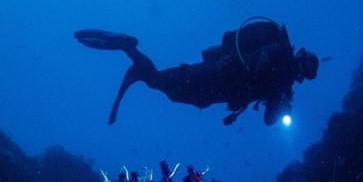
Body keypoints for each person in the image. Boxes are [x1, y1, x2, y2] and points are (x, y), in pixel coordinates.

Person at [74, 17, 319, 126]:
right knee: (161, 82)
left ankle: (132, 55)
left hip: (211, 88)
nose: (301, 71)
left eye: (307, 72)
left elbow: (268, 119)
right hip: (212, 79)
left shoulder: (281, 81)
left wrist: (282, 101)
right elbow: (268, 111)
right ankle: (130, 50)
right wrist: (280, 98)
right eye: (306, 66)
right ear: (300, 56)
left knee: (163, 84)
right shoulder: (279, 56)